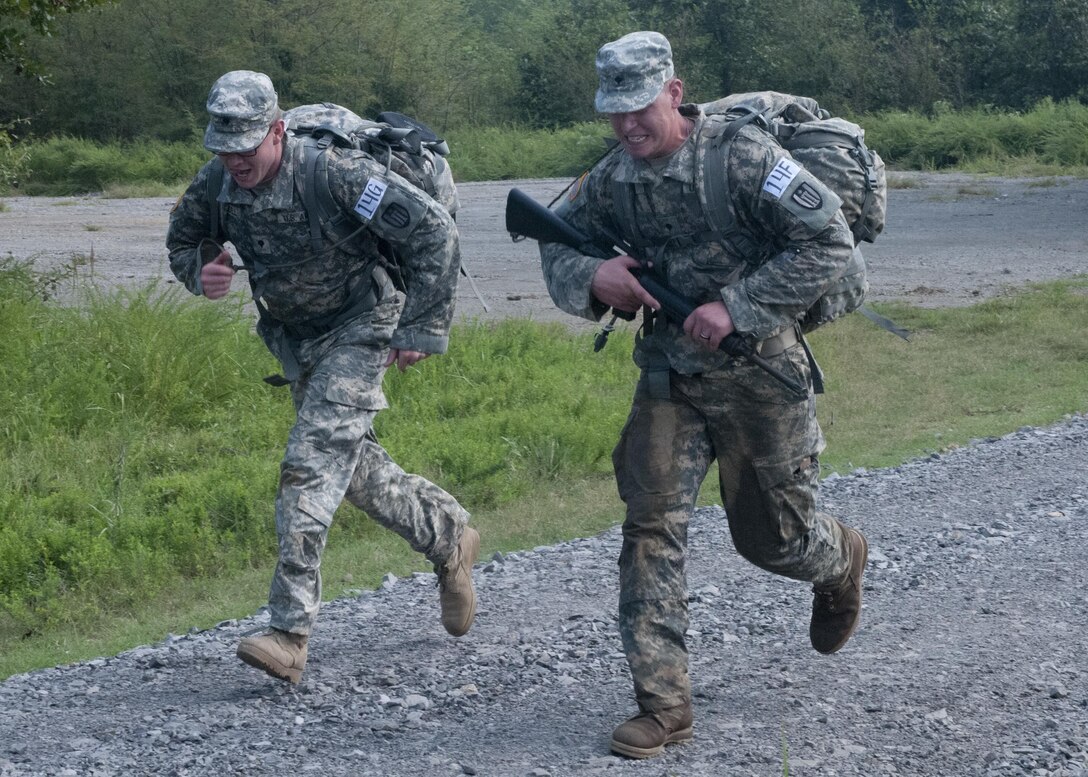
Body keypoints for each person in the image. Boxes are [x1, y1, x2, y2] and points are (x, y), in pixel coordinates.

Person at [537, 32, 869, 759]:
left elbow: (828, 241)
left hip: (759, 372)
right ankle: (664, 706)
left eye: (641, 108)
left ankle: (840, 560)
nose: (628, 126)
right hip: (669, 376)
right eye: (614, 112)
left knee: (771, 539)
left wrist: (738, 306)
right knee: (649, 528)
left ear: (675, 93)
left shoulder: (743, 157)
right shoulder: (610, 178)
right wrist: (595, 279)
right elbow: (555, 242)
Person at [166, 70, 479, 685]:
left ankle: (289, 631)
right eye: (223, 150)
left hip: (366, 322)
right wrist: (200, 269)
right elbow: (183, 238)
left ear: (277, 131)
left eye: (248, 147)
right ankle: (450, 535)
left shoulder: (334, 173)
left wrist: (421, 328)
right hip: (299, 339)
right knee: (351, 470)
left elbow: (434, 232)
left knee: (308, 464)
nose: (235, 161)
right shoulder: (217, 182)